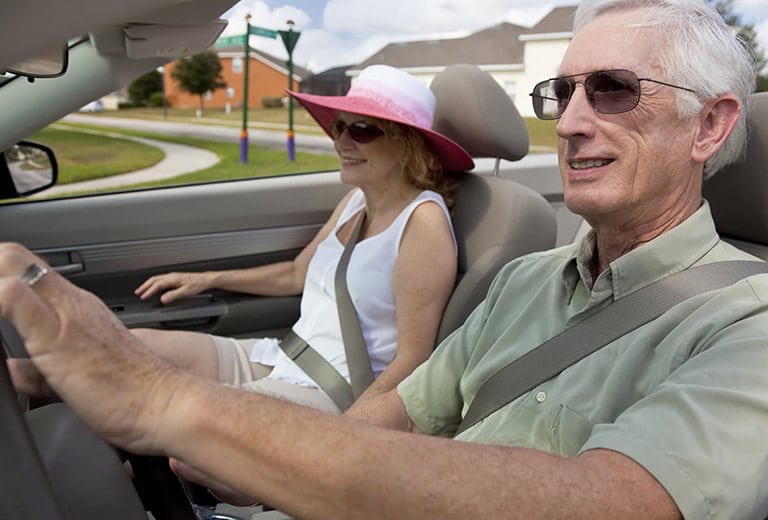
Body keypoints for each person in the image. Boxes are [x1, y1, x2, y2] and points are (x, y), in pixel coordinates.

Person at [2, 0, 768, 518]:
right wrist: (275, 464)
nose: (568, 123)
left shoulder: (748, 326)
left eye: (610, 90)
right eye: (559, 93)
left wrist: (174, 406)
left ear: (708, 126)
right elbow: (408, 406)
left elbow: (607, 501)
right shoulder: (523, 279)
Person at [129, 65, 479, 415]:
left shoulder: (422, 222)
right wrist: (209, 279)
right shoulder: (356, 202)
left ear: (408, 145)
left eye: (362, 130)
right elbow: (295, 274)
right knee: (134, 350)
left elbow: (413, 358)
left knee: (191, 420)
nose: (341, 141)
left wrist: (355, 429)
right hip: (286, 357)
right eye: (339, 126)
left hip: (336, 391)